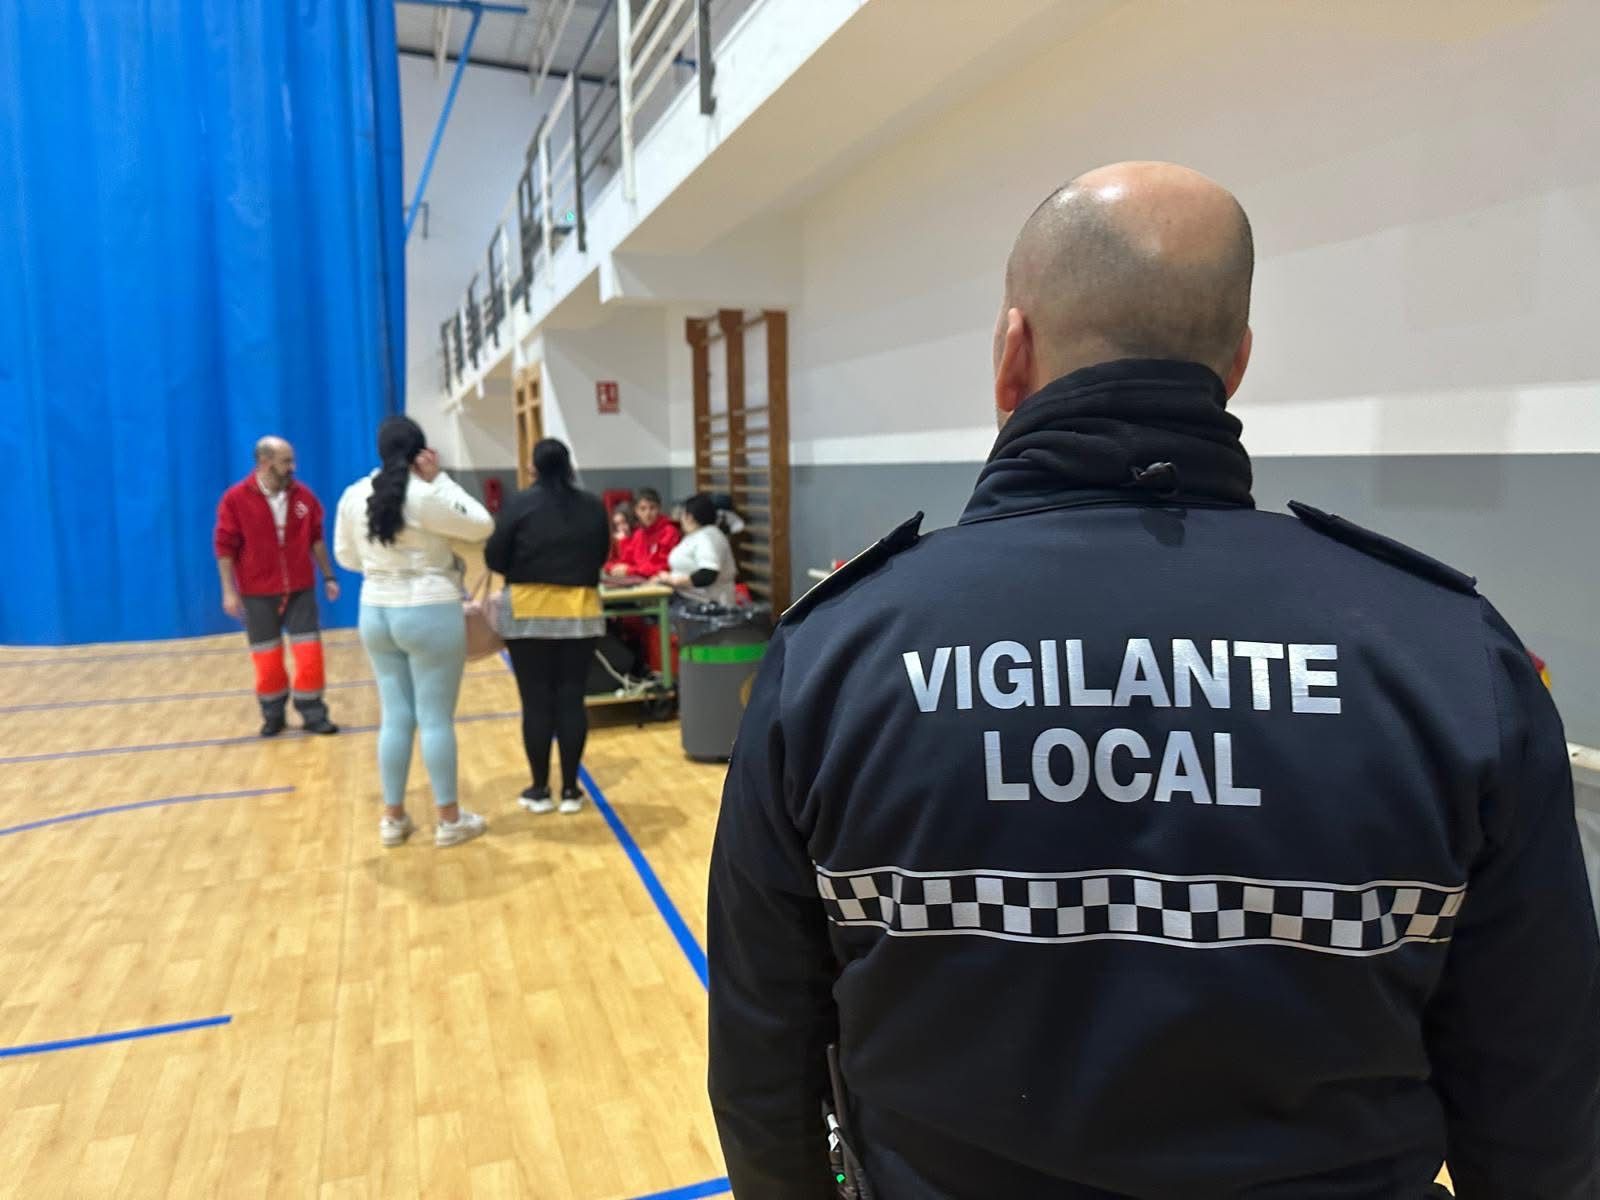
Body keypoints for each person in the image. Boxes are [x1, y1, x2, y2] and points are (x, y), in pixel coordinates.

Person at [706, 162, 1600, 1199]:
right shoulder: (1450, 657)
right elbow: (1542, 1094)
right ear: (1236, 364)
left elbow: (763, 1060)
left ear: (1011, 353)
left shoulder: (836, 655)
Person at [333, 416, 494, 849]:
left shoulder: (352, 495)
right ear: (420, 452)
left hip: (375, 611)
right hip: (428, 610)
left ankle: (393, 817)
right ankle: (449, 819)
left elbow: (345, 557)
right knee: (436, 718)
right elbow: (481, 524)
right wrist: (439, 478)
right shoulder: (423, 495)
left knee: (396, 716)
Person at [485, 439, 610, 815]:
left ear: (534, 467)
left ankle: (539, 789)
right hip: (580, 612)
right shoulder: (591, 505)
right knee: (572, 700)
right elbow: (602, 553)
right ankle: (571, 790)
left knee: (536, 703)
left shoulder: (519, 504)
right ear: (568, 465)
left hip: (527, 613)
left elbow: (494, 556)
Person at [213, 436, 340, 737]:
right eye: (286, 462)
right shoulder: (236, 500)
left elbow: (315, 539)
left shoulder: (303, 500)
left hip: (300, 590)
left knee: (309, 656)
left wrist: (329, 576)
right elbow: (224, 548)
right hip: (257, 595)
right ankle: (273, 714)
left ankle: (313, 713)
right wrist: (229, 591)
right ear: (265, 463)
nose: (293, 467)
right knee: (267, 660)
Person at [655, 492, 736, 607]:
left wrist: (673, 581)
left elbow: (708, 574)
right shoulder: (695, 535)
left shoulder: (709, 536)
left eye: (681, 514)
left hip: (705, 604)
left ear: (689, 517)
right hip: (686, 598)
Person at [608, 486, 680, 579]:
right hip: (639, 581)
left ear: (659, 508)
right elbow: (627, 561)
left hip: (661, 584)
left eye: (652, 508)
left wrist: (630, 570)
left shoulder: (669, 531)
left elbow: (662, 567)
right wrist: (612, 567)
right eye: (643, 508)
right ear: (636, 511)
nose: (647, 513)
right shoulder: (639, 533)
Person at [604, 502, 640, 577]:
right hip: (622, 575)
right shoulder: (617, 538)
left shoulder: (639, 535)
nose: (621, 528)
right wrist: (612, 568)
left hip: (635, 576)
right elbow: (608, 563)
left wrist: (624, 541)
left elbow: (633, 562)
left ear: (631, 520)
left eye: (624, 522)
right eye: (617, 524)